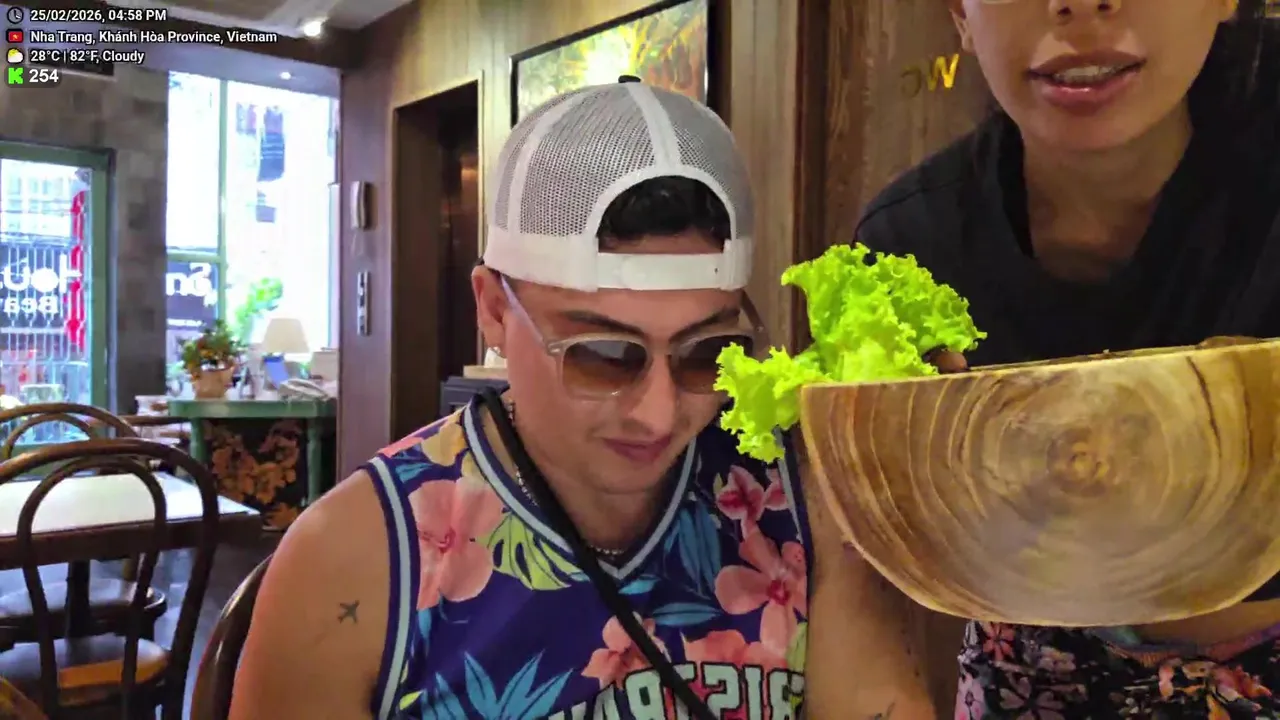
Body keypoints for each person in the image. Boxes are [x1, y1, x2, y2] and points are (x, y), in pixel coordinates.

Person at [229, 80, 924, 719]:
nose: (658, 413)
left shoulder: (796, 503)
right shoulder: (358, 558)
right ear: (493, 310)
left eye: (706, 353)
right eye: (603, 356)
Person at [854, 0, 1280, 716]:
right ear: (960, 14)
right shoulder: (913, 246)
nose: (1078, 4)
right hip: (1032, 672)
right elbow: (868, 571)